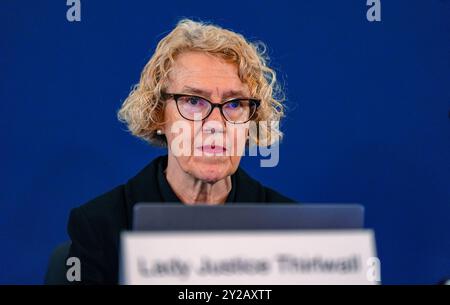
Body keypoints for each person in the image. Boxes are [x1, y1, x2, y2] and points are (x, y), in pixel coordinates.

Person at [67, 18, 295, 284]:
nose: (216, 125)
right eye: (194, 101)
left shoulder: (288, 226)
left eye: (234, 104)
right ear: (158, 115)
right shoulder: (100, 226)